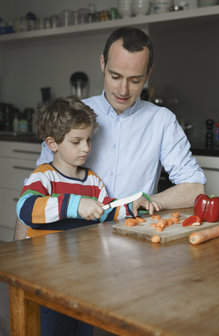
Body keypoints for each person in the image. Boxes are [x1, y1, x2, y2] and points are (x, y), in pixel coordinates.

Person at [16, 95, 157, 336]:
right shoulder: (44, 177)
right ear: (52, 143)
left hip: (85, 277)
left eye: (89, 139)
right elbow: (26, 208)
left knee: (83, 329)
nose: (86, 148)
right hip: (49, 278)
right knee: (53, 328)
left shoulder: (92, 180)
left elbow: (106, 211)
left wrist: (132, 205)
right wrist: (75, 204)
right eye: (76, 141)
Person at [37, 26, 205, 209]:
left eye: (135, 80)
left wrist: (145, 203)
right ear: (103, 64)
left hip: (134, 231)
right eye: (115, 76)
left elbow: (195, 188)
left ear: (148, 74)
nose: (123, 90)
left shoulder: (162, 121)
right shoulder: (73, 113)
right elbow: (38, 190)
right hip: (73, 234)